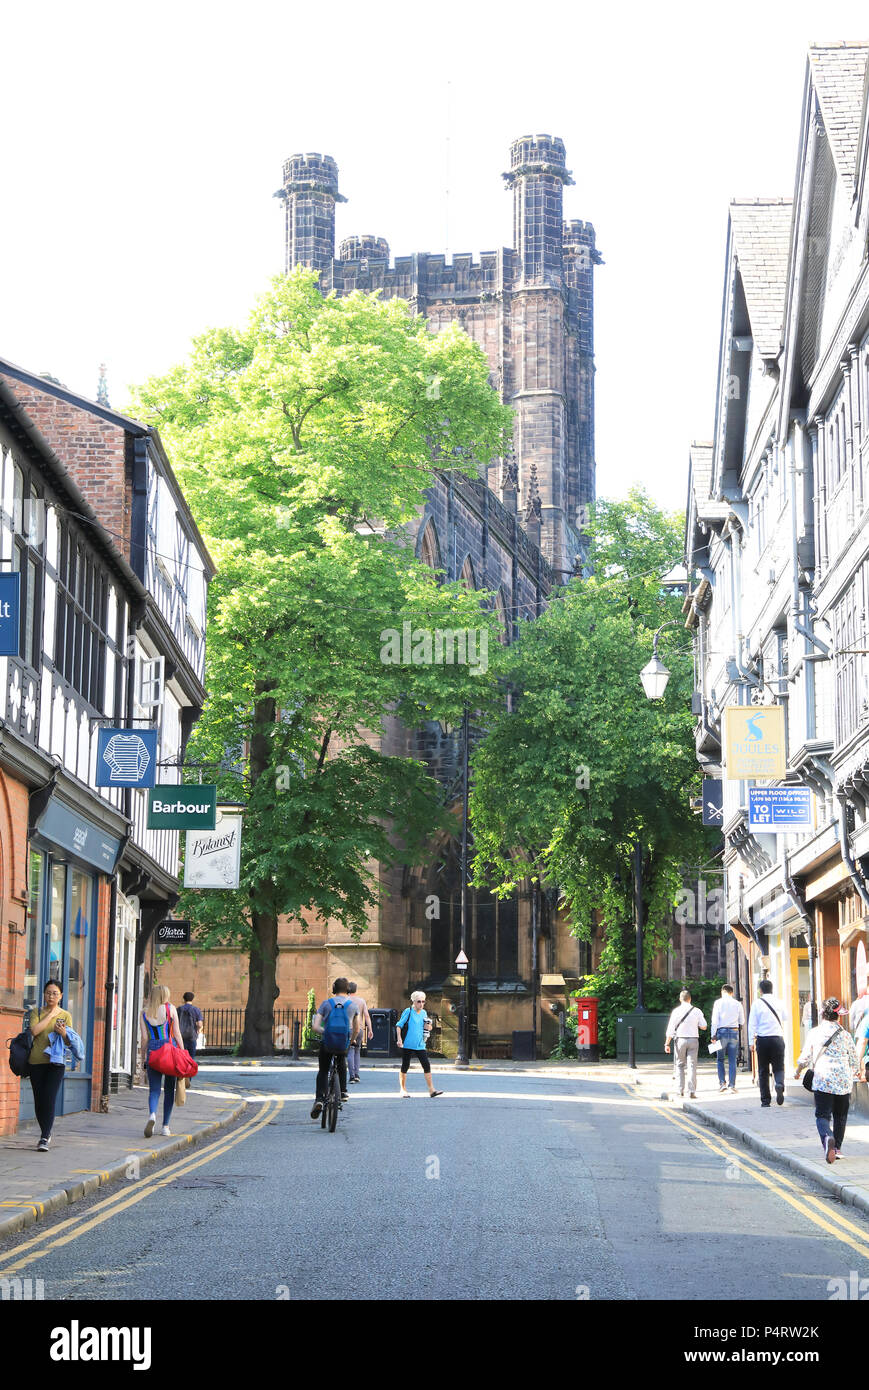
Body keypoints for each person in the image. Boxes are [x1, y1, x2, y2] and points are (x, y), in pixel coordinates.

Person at [795, 997, 859, 1163]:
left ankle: (827, 1137)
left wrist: (798, 1071)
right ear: (838, 1016)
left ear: (822, 1014)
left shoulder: (814, 1033)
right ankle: (836, 1148)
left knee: (822, 1116)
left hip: (823, 1080)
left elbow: (805, 1057)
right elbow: (853, 1059)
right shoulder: (845, 1035)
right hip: (843, 1082)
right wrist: (857, 1072)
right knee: (840, 1116)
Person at [28, 981, 73, 1151]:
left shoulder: (66, 1015)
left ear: (61, 996)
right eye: (48, 992)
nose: (51, 996)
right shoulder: (36, 1012)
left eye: (55, 993)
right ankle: (45, 1131)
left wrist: (64, 1034)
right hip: (36, 1062)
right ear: (44, 994)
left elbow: (70, 1041)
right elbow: (34, 1031)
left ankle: (44, 1137)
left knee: (49, 1097)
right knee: (39, 1101)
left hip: (56, 1063)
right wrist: (50, 1015)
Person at [310, 978, 359, 1119]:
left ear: (333, 988)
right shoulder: (352, 1005)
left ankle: (319, 1099)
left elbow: (315, 1026)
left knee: (323, 1070)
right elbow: (357, 1028)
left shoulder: (326, 1004)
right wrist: (352, 1040)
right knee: (341, 1062)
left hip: (327, 1042)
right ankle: (342, 1091)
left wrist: (326, 1032)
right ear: (348, 989)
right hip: (343, 1042)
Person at [140, 984, 185, 1137]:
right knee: (169, 1090)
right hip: (169, 1050)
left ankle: (152, 1114)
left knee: (154, 1090)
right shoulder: (170, 1009)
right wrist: (183, 1052)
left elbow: (145, 1038)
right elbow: (177, 1033)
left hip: (153, 1051)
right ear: (165, 995)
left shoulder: (144, 1013)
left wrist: (143, 1058)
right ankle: (165, 1126)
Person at [747, 978, 788, 1107]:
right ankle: (779, 1083)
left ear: (760, 990)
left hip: (763, 1039)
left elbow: (752, 1024)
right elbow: (786, 1017)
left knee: (763, 1070)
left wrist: (750, 1042)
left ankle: (765, 1101)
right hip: (777, 1038)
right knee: (779, 1066)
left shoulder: (757, 1004)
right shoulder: (779, 1002)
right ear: (772, 989)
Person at [395, 991, 443, 1098]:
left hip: (420, 1044)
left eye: (423, 1001)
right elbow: (399, 1025)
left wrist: (429, 1027)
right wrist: (399, 1039)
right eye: (419, 1002)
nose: (421, 1004)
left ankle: (431, 1090)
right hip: (407, 1044)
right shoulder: (408, 1011)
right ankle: (403, 1089)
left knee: (426, 1065)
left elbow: (428, 1028)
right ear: (413, 1001)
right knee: (405, 1066)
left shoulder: (424, 1013)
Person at [664, 989, 707, 1098]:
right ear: (690, 999)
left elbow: (670, 1029)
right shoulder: (696, 1011)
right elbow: (704, 1026)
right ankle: (692, 1091)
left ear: (680, 999)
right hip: (693, 1039)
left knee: (680, 1065)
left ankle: (680, 1090)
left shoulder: (676, 1011)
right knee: (692, 1065)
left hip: (680, 1040)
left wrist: (667, 1043)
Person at [710, 984, 745, 1093]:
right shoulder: (737, 1004)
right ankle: (732, 1085)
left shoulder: (718, 1003)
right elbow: (742, 1021)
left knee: (720, 1059)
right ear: (732, 993)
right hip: (734, 1032)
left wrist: (713, 1035)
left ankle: (722, 1084)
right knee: (732, 1060)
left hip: (721, 1032)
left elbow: (714, 1021)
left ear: (722, 992)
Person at [346, 981, 373, 1085]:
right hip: (360, 1029)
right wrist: (370, 1029)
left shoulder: (345, 1000)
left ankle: (352, 1076)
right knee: (357, 1051)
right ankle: (357, 1074)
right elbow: (366, 1015)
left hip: (349, 1029)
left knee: (350, 1051)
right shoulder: (361, 1001)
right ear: (356, 990)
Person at [177, 991, 203, 1086]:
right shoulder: (196, 1010)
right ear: (193, 999)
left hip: (180, 1037)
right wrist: (198, 1030)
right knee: (191, 1059)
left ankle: (180, 1079)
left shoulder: (179, 1009)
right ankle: (188, 1078)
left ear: (183, 999)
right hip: (191, 1037)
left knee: (180, 1058)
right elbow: (200, 1024)